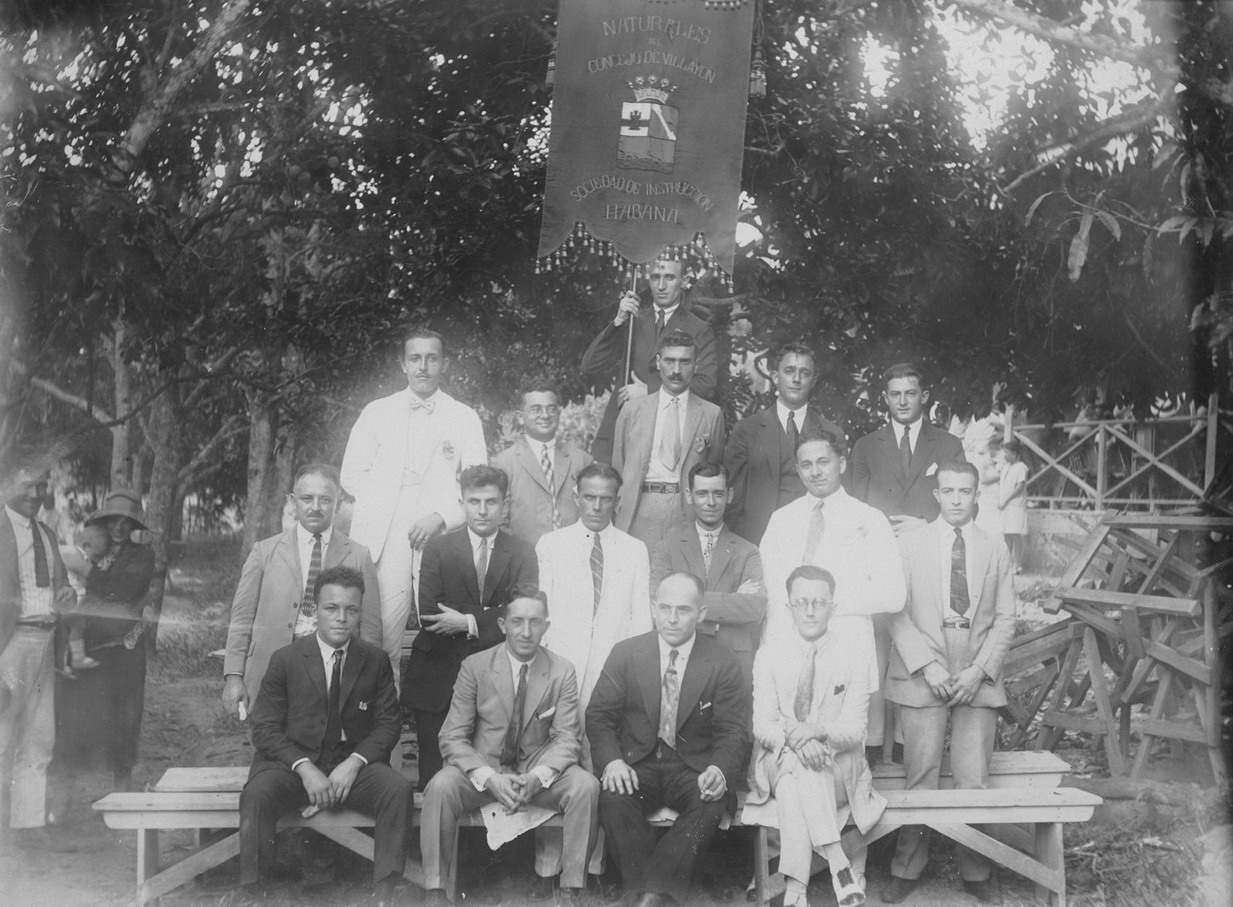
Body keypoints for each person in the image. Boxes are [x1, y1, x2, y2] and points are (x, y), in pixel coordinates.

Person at [881, 461, 1016, 906]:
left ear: (977, 495)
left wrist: (979, 670)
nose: (957, 499)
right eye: (949, 491)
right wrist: (928, 666)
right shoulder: (910, 544)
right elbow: (895, 612)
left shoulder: (995, 546)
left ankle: (976, 871)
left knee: (973, 776)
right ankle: (906, 866)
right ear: (936, 495)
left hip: (977, 667)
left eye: (965, 491)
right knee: (920, 774)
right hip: (925, 666)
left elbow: (1006, 619)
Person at [240, 566, 413, 906]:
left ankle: (384, 893)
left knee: (397, 790)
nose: (341, 618)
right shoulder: (286, 659)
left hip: (350, 768)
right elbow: (264, 728)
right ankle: (255, 893)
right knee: (257, 793)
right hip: (294, 767)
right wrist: (304, 768)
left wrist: (354, 763)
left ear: (360, 612)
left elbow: (388, 725)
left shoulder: (375, 660)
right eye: (331, 608)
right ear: (314, 609)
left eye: (351, 610)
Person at [421, 587, 599, 906]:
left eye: (535, 622)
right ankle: (435, 891)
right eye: (517, 621)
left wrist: (536, 778)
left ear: (546, 626)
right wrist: (489, 778)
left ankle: (572, 890)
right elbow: (452, 736)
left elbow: (567, 739)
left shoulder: (562, 670)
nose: (526, 632)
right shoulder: (475, 666)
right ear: (502, 625)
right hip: (486, 771)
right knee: (441, 786)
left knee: (585, 786)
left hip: (536, 775)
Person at [586, 572, 749, 907]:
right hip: (637, 763)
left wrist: (718, 770)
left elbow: (733, 730)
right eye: (665, 608)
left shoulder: (723, 662)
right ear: (653, 608)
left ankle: (645, 897)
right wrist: (613, 762)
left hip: (693, 767)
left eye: (684, 610)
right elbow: (599, 716)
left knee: (711, 801)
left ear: (701, 613)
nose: (672, 618)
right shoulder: (626, 653)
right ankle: (657, 896)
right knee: (614, 797)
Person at [341, 327, 488, 676]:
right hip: (387, 531)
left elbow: (478, 482)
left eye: (432, 358)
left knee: (440, 627)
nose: (423, 366)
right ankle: (381, 706)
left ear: (444, 363)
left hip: (439, 533)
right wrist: (392, 500)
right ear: (402, 364)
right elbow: (351, 475)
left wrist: (441, 516)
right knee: (382, 633)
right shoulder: (377, 411)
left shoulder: (463, 416)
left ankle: (436, 707)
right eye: (415, 358)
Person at [742, 566, 886, 907]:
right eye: (801, 602)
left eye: (819, 603)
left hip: (837, 769)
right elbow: (763, 725)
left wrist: (818, 731)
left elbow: (855, 730)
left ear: (833, 607)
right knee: (800, 768)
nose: (810, 611)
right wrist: (798, 741)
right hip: (779, 761)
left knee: (795, 784)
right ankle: (839, 863)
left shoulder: (854, 655)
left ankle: (795, 890)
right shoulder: (769, 654)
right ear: (788, 606)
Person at [759, 430, 904, 763]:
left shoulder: (868, 518)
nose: (815, 472)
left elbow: (894, 594)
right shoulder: (782, 519)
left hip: (845, 649)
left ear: (841, 463)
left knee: (843, 759)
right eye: (806, 464)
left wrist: (824, 603)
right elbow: (771, 591)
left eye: (823, 462)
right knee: (792, 755)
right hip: (792, 654)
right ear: (797, 469)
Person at [403, 465, 538, 789]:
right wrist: (495, 614)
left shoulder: (522, 552)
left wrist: (467, 621)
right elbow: (430, 613)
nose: (482, 510)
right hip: (438, 672)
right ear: (461, 503)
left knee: (491, 774)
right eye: (474, 501)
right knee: (435, 779)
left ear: (505, 504)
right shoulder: (438, 548)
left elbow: (522, 612)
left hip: (496, 674)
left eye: (491, 502)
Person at [223, 464, 381, 718]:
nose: (315, 507)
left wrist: (366, 686)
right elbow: (241, 619)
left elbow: (371, 630)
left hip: (334, 674)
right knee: (269, 739)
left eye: (325, 500)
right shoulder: (264, 552)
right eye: (307, 498)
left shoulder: (359, 556)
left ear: (338, 503)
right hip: (270, 671)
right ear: (292, 501)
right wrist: (233, 676)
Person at [0, 456, 75, 843]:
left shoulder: (46, 532)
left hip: (45, 641)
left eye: (41, 485)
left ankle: (26, 827)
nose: (34, 493)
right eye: (26, 485)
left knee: (39, 735)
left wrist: (67, 593)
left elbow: (62, 585)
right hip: (9, 645)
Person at [536, 463, 651, 714]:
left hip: (613, 669)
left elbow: (641, 620)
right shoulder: (551, 545)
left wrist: (633, 671)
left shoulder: (635, 550)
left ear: (617, 501)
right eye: (589, 497)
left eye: (605, 499)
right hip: (560, 664)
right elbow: (541, 612)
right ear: (576, 497)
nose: (597, 507)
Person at [581, 256, 718, 464]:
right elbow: (590, 365)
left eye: (669, 277)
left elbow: (706, 386)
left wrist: (650, 391)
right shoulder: (633, 321)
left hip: (668, 436)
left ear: (684, 281)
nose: (661, 286)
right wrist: (618, 320)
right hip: (625, 434)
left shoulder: (699, 329)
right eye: (655, 277)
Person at [649, 462, 766, 685]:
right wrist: (731, 601)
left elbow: (755, 608)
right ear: (689, 495)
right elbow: (658, 602)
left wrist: (686, 604)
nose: (710, 502)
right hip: (681, 656)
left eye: (718, 494)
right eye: (702, 494)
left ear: (729, 495)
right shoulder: (667, 548)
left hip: (733, 659)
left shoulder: (748, 550)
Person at [71, 489, 156, 792]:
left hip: (126, 649)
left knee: (127, 718)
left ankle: (122, 788)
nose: (119, 527)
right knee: (96, 717)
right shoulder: (96, 553)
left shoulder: (142, 555)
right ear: (105, 523)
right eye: (113, 520)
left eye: (126, 521)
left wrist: (85, 570)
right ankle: (85, 793)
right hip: (96, 647)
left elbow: (121, 593)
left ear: (133, 526)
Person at [611, 330, 725, 547]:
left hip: (686, 511)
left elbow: (713, 469)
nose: (676, 370)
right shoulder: (632, 410)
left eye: (684, 362)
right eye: (670, 361)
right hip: (639, 507)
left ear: (696, 365)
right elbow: (618, 466)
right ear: (658, 362)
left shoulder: (711, 414)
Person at [724, 343, 844, 544]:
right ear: (775, 376)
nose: (796, 379)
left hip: (814, 541)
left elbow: (838, 499)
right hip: (757, 540)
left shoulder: (832, 433)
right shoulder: (747, 430)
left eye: (804, 373)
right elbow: (732, 499)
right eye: (789, 371)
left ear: (813, 381)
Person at [849, 362, 965, 537]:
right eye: (895, 394)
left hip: (930, 543)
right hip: (881, 545)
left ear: (924, 396)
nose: (902, 402)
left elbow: (966, 504)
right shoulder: (865, 447)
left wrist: (927, 524)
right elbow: (854, 506)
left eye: (910, 393)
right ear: (886, 398)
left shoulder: (949, 445)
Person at [492, 380, 593, 546]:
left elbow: (592, 512)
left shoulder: (582, 460)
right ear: (520, 417)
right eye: (536, 409)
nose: (545, 415)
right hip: (526, 555)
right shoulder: (504, 463)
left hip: (575, 552)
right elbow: (499, 520)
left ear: (559, 414)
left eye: (551, 409)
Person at [997, 439, 1028, 573]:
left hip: (1015, 505)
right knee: (1006, 535)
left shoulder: (1021, 467)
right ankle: (1007, 564)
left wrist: (1007, 500)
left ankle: (1018, 565)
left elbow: (1020, 487)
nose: (1004, 455)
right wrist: (1001, 500)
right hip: (1005, 506)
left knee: (1015, 534)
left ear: (1014, 454)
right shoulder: (1006, 467)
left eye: (1007, 452)